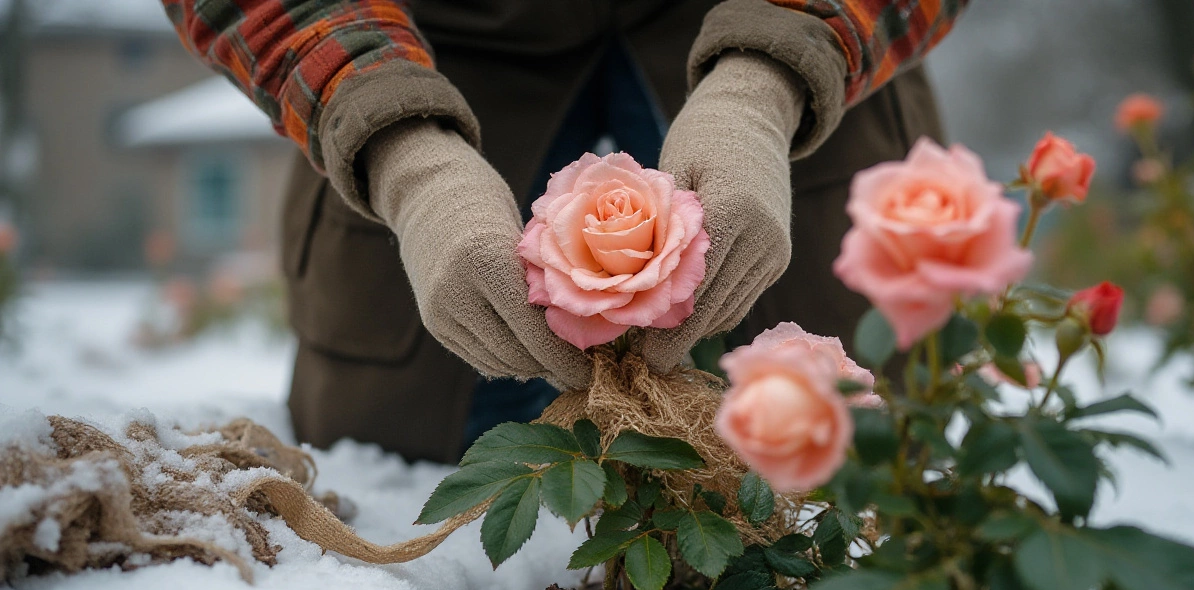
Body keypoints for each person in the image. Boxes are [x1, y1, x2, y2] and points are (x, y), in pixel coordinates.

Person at [161, 0, 966, 464]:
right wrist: (397, 143)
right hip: (427, 51)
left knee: (854, 470)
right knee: (403, 484)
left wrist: (776, 71)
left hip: (775, 44)